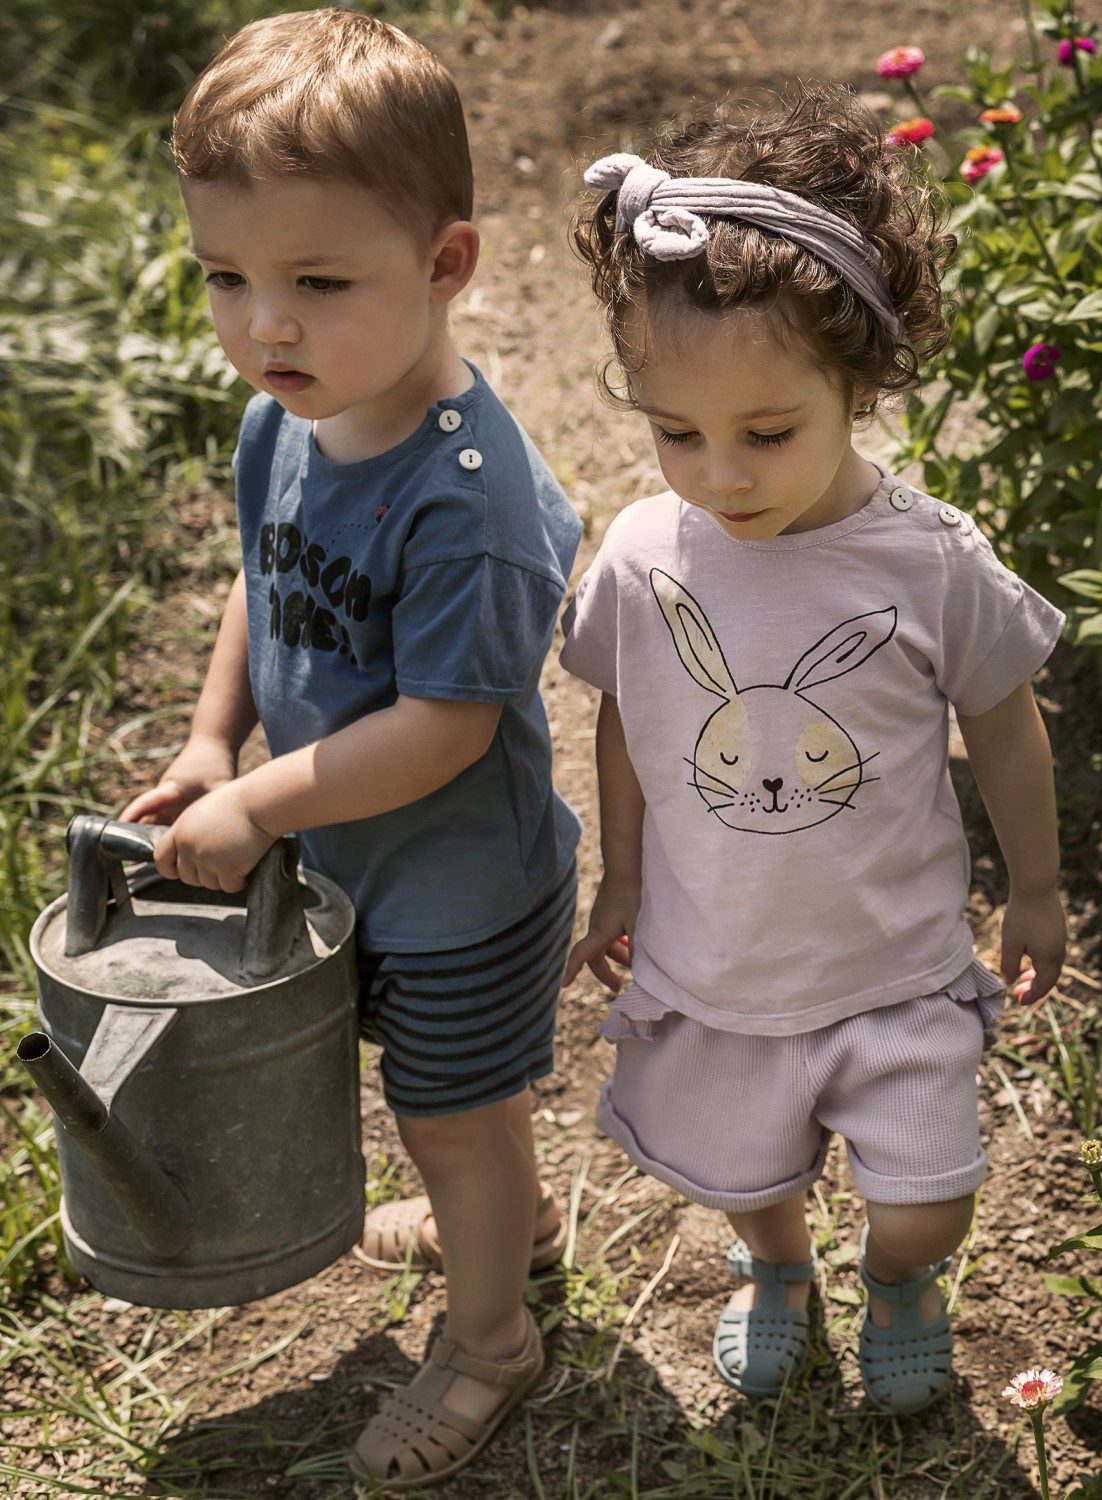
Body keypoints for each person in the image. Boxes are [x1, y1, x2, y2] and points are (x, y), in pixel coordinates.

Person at [559, 82, 1069, 1415]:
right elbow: (625, 711)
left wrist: (1036, 884)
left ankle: (901, 1280)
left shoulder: (927, 557)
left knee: (932, 1192)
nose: (719, 475)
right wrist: (621, 877)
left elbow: (1004, 716)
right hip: (720, 961)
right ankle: (778, 1271)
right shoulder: (645, 553)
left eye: (766, 433)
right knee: (750, 1177)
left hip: (893, 964)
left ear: (862, 377)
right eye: (678, 434)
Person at [121, 11, 581, 1487]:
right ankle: (513, 1215)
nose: (267, 326)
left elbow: (447, 731)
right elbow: (263, 585)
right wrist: (212, 741)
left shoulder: (468, 495)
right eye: (229, 279)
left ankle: (494, 1337)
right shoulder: (290, 423)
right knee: (447, 1111)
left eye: (319, 282)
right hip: (350, 865)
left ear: (446, 266)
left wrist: (260, 802)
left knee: (449, 1114)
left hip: (458, 885)